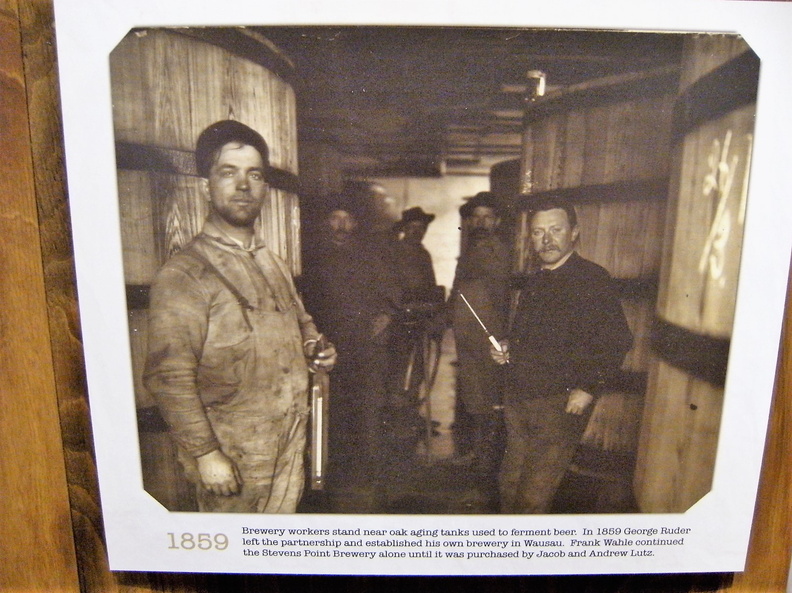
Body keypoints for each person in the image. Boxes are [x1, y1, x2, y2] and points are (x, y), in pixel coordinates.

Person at [143, 120, 336, 513]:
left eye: (255, 175)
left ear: (265, 187)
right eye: (228, 173)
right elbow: (168, 376)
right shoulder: (185, 274)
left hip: (288, 442)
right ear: (206, 186)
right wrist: (206, 454)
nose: (243, 186)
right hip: (232, 453)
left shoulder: (273, 263)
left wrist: (317, 346)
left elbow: (302, 323)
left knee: (277, 554)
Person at [491, 195, 633, 514]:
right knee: (509, 482)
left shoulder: (592, 279)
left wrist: (588, 388)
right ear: (530, 239)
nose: (547, 239)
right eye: (538, 232)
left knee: (534, 493)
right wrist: (508, 347)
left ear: (574, 233)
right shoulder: (537, 280)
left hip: (558, 403)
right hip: (521, 399)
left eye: (555, 230)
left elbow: (617, 339)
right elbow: (534, 335)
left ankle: (523, 560)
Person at [300, 197, 402, 496]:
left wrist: (384, 318)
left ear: (356, 224)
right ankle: (334, 475)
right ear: (325, 222)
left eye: (347, 219)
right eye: (334, 218)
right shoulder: (313, 259)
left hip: (366, 347)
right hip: (330, 347)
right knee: (333, 411)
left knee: (369, 408)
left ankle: (372, 474)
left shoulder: (371, 255)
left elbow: (392, 295)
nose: (341, 225)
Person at [448, 192, 511, 484]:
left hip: (490, 336)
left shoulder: (497, 251)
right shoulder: (471, 250)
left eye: (488, 217)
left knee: (490, 399)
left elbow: (500, 296)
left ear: (497, 221)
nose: (481, 222)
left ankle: (488, 461)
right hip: (468, 336)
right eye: (477, 217)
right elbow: (459, 290)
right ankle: (477, 454)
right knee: (474, 398)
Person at [388, 207, 444, 442]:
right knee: (399, 371)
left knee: (419, 370)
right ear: (404, 229)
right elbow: (392, 288)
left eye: (421, 228)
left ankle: (411, 414)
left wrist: (434, 310)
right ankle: (396, 421)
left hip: (421, 321)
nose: (417, 232)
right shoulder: (394, 253)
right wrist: (406, 306)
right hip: (400, 322)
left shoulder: (424, 254)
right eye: (412, 228)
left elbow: (430, 287)